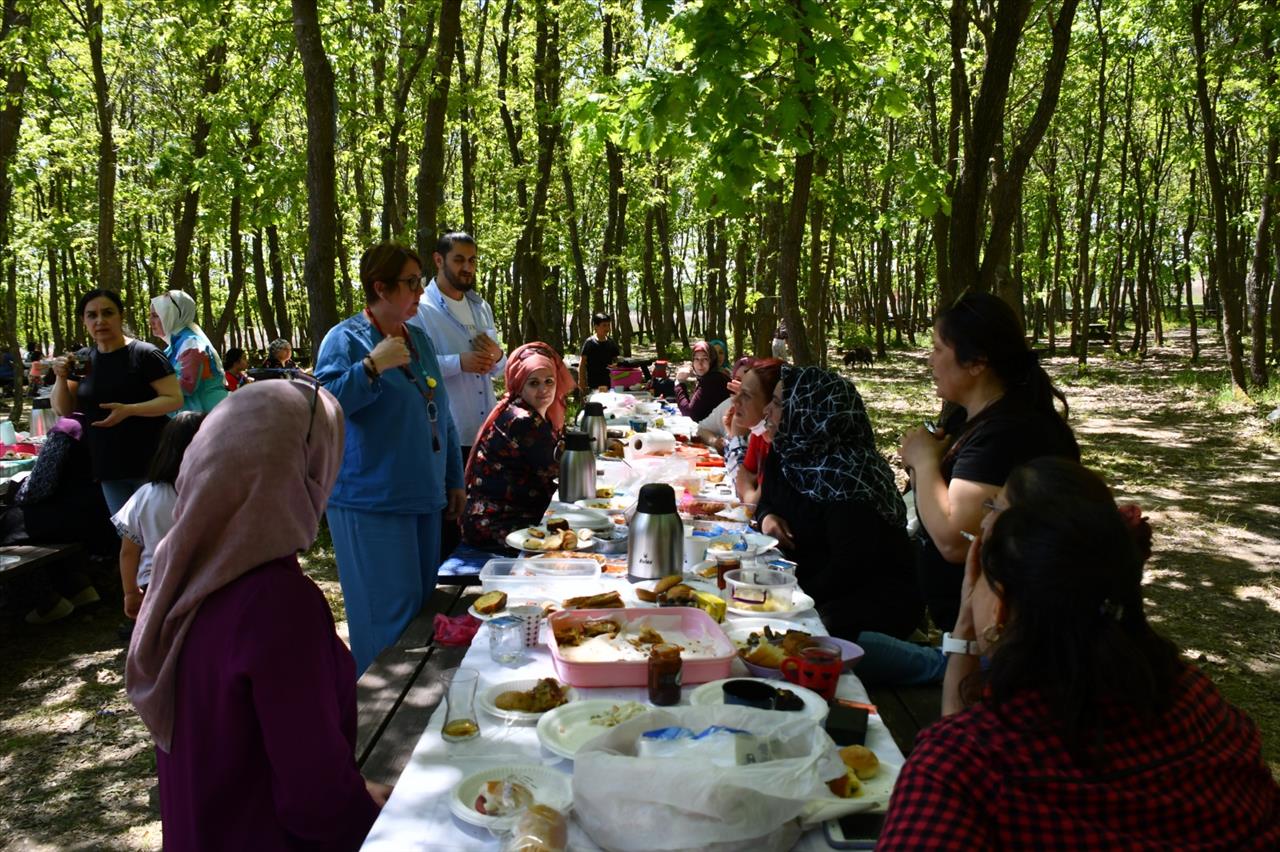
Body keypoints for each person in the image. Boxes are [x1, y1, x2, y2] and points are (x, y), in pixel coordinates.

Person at [878, 458, 1280, 848]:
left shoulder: (965, 767)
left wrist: (967, 626)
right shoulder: (1203, 705)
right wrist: (968, 628)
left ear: (1000, 608)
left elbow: (958, 764)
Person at [126, 379, 388, 851]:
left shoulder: (179, 573)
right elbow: (318, 805)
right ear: (302, 470)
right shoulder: (276, 603)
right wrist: (381, 816)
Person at [316, 241, 464, 675]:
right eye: (411, 282)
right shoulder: (344, 339)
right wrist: (369, 368)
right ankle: (369, 727)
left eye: (419, 280)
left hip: (422, 494)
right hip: (371, 502)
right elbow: (323, 408)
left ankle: (409, 719)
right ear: (380, 287)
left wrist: (454, 478)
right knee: (386, 623)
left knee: (419, 615)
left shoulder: (418, 337)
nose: (420, 290)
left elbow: (441, 413)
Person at [899, 291, 1078, 633]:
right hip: (969, 625)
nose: (930, 361)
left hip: (1007, 632)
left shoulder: (1009, 433)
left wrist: (923, 462)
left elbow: (956, 540)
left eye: (938, 349)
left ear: (977, 361)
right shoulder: (969, 419)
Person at [755, 365, 922, 640]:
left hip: (867, 597)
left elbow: (849, 568)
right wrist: (767, 517)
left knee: (812, 634)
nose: (766, 411)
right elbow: (766, 501)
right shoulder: (788, 450)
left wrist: (789, 598)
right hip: (806, 580)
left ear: (809, 411)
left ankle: (930, 665)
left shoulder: (849, 478)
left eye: (776, 403)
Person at [410, 231, 505, 560]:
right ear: (439, 260)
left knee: (481, 521)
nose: (468, 268)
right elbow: (413, 366)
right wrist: (458, 363)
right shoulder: (420, 309)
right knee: (450, 522)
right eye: (459, 260)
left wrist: (497, 356)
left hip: (485, 435)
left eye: (472, 260)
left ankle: (478, 590)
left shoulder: (480, 307)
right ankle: (444, 600)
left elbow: (500, 367)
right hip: (449, 433)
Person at [51, 289, 183, 516]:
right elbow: (64, 409)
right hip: (107, 466)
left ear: (120, 316)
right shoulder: (83, 359)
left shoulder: (145, 354)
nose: (100, 320)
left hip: (150, 464)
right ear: (84, 321)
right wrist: (61, 378)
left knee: (156, 537)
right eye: (92, 315)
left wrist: (130, 410)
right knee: (126, 539)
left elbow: (174, 399)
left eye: (108, 313)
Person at [461, 342, 575, 549]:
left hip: (493, 517)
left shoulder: (519, 410)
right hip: (497, 524)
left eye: (549, 381)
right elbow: (560, 476)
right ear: (519, 383)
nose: (544, 390)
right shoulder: (523, 421)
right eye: (533, 383)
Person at [113, 412, 205, 622]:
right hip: (202, 579)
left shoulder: (145, 495)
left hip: (153, 582)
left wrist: (130, 592)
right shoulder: (214, 492)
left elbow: (128, 551)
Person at [150, 291, 229, 413]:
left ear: (172, 314)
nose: (151, 321)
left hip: (208, 413)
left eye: (156, 315)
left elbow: (187, 386)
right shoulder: (176, 344)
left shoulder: (191, 343)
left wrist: (150, 386)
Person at [732, 358, 783, 504]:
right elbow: (741, 477)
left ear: (770, 404)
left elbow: (752, 503)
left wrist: (747, 488)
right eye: (739, 392)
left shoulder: (780, 446)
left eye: (746, 395)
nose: (735, 400)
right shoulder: (759, 434)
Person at [674, 341, 731, 422]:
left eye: (705, 359)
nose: (700, 364)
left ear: (712, 360)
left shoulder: (712, 380)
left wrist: (679, 383)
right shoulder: (713, 376)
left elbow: (690, 414)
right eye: (696, 359)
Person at [579, 312, 620, 392]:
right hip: (593, 382)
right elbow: (582, 363)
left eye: (608, 325)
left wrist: (616, 366)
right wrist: (581, 380)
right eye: (604, 325)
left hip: (609, 381)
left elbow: (616, 360)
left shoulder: (611, 342)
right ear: (596, 327)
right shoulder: (590, 342)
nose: (607, 328)